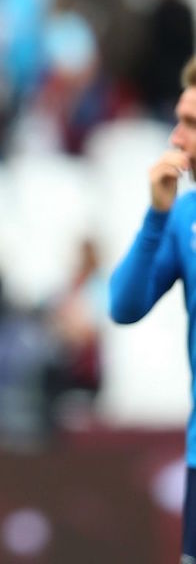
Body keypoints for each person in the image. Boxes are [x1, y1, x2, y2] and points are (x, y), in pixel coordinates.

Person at [109, 54, 196, 564]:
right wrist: (156, 214)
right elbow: (124, 304)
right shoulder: (185, 214)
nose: (176, 139)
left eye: (190, 124)